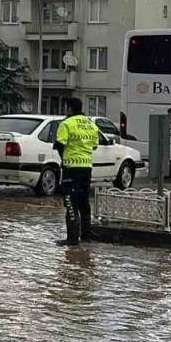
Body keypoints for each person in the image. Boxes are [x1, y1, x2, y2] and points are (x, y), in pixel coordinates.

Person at [54, 97, 99, 246]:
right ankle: (86, 236)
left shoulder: (66, 124)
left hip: (71, 169)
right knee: (84, 201)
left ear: (69, 109)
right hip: (86, 168)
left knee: (70, 201)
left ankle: (72, 239)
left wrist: (65, 160)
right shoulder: (90, 124)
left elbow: (60, 145)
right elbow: (94, 146)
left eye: (65, 108)